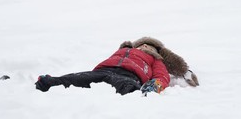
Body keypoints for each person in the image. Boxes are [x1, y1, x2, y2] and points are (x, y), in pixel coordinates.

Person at [35, 37, 199, 95]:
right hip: (103, 71)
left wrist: (155, 84)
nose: (145, 48)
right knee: (76, 78)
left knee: (127, 88)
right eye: (143, 45)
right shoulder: (125, 50)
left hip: (129, 76)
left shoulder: (156, 60)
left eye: (150, 47)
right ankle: (49, 82)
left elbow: (161, 76)